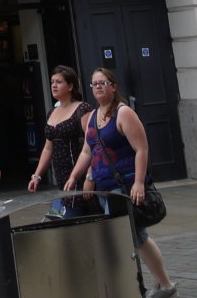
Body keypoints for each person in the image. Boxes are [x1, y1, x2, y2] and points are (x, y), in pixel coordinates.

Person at [63, 68, 177, 298]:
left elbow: (141, 149)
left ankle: (153, 286)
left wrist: (138, 182)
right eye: (94, 84)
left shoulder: (124, 113)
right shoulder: (94, 116)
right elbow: (88, 151)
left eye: (103, 83)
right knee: (135, 238)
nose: (98, 87)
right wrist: (79, 176)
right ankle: (160, 286)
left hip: (124, 187)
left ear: (113, 87)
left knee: (131, 239)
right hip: (105, 190)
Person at [27, 65, 94, 196]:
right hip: (61, 174)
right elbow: (48, 148)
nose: (54, 86)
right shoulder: (52, 112)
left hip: (81, 171)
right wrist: (37, 176)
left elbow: (93, 144)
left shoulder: (83, 109)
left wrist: (90, 175)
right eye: (52, 82)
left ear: (70, 86)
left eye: (59, 82)